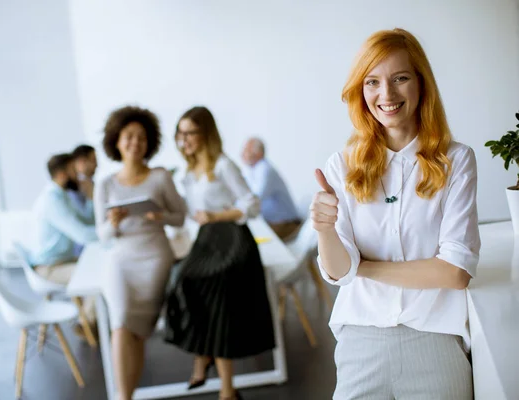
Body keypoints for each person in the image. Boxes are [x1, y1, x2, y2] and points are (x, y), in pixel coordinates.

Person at [311, 28, 480, 399]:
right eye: (372, 81)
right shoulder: (341, 165)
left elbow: (454, 272)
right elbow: (339, 273)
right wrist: (325, 229)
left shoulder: (457, 161)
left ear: (421, 83)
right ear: (361, 90)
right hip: (361, 339)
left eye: (400, 78)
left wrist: (364, 268)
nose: (385, 95)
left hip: (435, 337)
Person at [165, 106, 275, 400]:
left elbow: (251, 205)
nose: (184, 139)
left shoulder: (223, 165)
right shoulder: (189, 171)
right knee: (184, 282)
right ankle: (203, 356)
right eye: (180, 133)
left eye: (190, 132)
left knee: (218, 306)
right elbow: (192, 213)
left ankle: (225, 386)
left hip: (232, 242)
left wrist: (216, 216)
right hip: (207, 240)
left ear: (206, 133)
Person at [93, 106, 186, 400]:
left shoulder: (159, 177)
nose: (135, 143)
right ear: (116, 141)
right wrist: (113, 223)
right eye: (129, 137)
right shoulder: (105, 184)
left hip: (155, 258)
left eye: (141, 138)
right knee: (120, 323)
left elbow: (180, 217)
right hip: (121, 260)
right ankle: (124, 397)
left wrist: (160, 217)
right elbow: (102, 235)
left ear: (150, 143)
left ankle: (129, 394)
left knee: (138, 332)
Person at [31, 153, 98, 324]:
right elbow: (82, 235)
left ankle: (95, 320)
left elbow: (87, 221)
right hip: (50, 268)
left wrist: (90, 197)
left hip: (63, 260)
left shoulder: (62, 195)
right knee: (95, 276)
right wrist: (111, 231)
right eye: (74, 171)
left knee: (98, 266)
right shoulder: (52, 201)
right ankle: (87, 324)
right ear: (62, 175)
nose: (78, 175)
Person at [241, 137, 301, 240]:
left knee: (249, 239)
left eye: (247, 150)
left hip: (286, 225)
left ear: (259, 153)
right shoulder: (253, 170)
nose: (242, 153)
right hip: (274, 223)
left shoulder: (265, 169)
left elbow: (255, 199)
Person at [69, 144, 98, 256]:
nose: (96, 165)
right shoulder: (72, 190)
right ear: (81, 162)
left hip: (94, 244)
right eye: (93, 160)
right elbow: (86, 222)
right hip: (81, 251)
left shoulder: (91, 184)